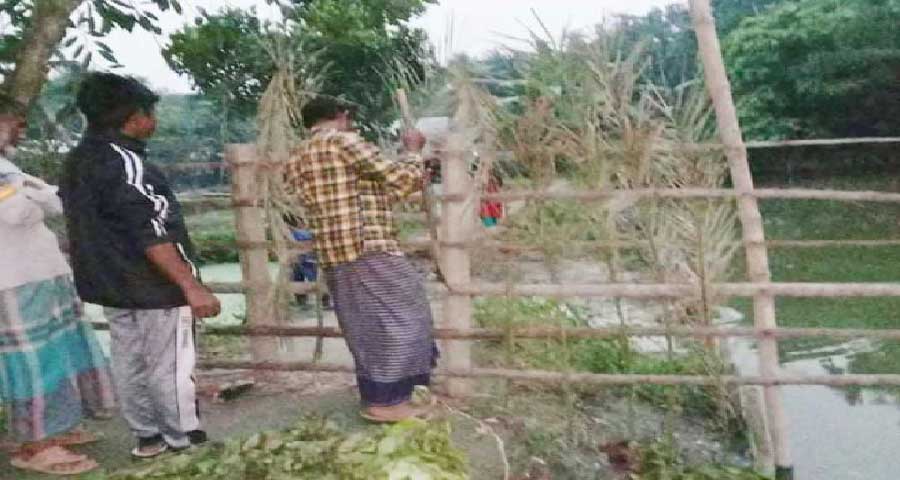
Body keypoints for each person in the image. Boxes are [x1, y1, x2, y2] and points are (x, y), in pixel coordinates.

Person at [59, 73, 221, 459]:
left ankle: (148, 438)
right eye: (150, 113)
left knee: (129, 360)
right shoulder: (128, 165)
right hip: (154, 284)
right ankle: (185, 440)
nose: (154, 122)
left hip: (110, 283)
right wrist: (190, 285)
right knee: (170, 364)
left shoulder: (78, 161)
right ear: (133, 118)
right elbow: (150, 231)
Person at [283, 96, 437, 422]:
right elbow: (398, 177)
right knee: (405, 317)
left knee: (365, 325)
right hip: (369, 246)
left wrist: (413, 175)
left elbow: (374, 195)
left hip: (335, 252)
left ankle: (381, 395)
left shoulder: (298, 155)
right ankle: (389, 401)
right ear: (341, 115)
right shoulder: (344, 141)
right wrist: (412, 151)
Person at [0, 99, 115, 475]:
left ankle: (53, 427)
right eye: (13, 123)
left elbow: (47, 199)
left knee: (58, 352)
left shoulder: (9, 169)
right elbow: (19, 210)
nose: (19, 131)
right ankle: (36, 444)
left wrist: (37, 194)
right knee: (34, 361)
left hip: (35, 273)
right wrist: (41, 195)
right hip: (14, 280)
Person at [283, 214, 331, 309]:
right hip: (306, 260)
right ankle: (324, 300)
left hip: (301, 260)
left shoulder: (292, 233)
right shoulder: (301, 233)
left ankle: (301, 300)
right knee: (312, 277)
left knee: (299, 276)